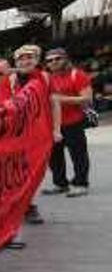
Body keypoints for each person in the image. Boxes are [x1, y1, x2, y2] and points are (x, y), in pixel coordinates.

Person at [44, 48, 93, 197]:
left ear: (65, 59)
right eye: (50, 60)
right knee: (54, 156)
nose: (53, 62)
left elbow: (87, 98)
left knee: (78, 155)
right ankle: (60, 184)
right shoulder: (47, 78)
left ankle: (81, 184)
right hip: (53, 124)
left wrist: (60, 99)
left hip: (74, 122)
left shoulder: (77, 75)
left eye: (57, 59)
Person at [12, 45, 46, 225]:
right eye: (21, 59)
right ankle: (23, 205)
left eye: (29, 58)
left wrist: (55, 130)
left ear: (37, 60)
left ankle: (28, 205)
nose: (25, 62)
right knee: (18, 172)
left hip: (39, 133)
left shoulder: (45, 78)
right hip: (15, 135)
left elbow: (53, 102)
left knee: (34, 171)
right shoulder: (10, 80)